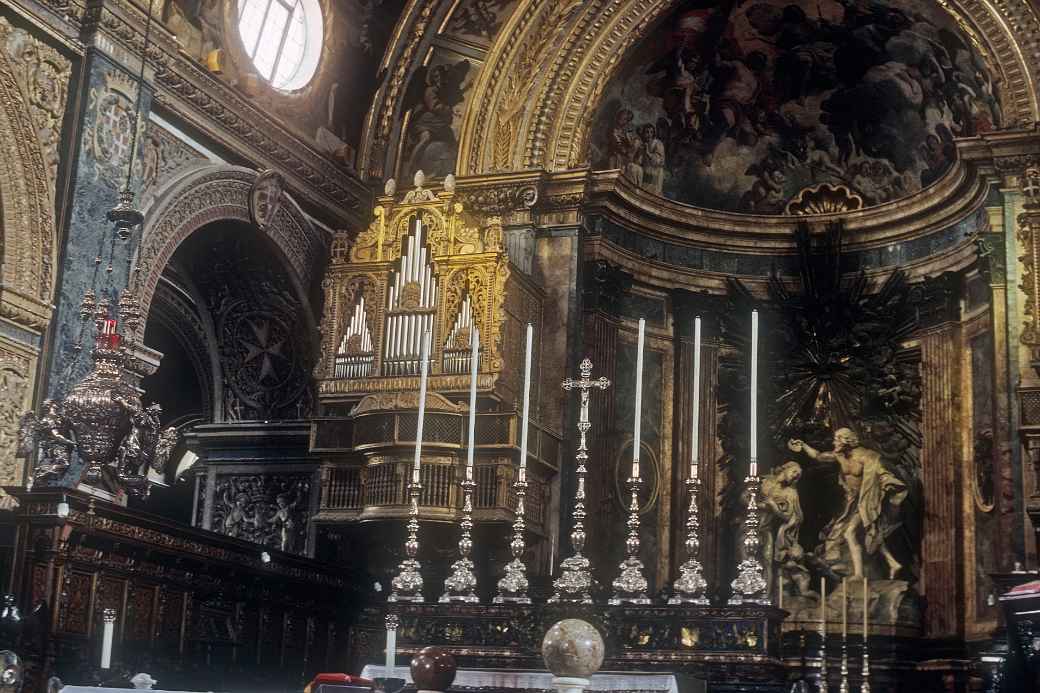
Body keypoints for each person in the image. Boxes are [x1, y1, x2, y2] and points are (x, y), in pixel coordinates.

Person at [787, 428, 907, 579]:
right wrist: (803, 446)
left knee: (851, 533)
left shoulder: (866, 456)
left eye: (837, 439)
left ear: (847, 440)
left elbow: (881, 472)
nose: (834, 442)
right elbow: (819, 456)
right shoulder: (839, 456)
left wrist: (888, 483)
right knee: (869, 532)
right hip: (850, 502)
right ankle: (892, 563)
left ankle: (858, 574)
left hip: (865, 500)